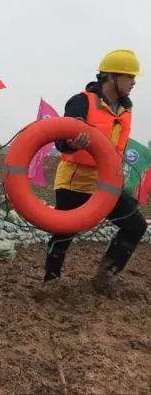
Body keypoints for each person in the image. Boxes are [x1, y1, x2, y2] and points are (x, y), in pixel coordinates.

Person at [45, 49, 148, 291]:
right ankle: (50, 282)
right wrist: (72, 142)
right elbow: (60, 140)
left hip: (105, 183)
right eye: (130, 77)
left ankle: (105, 276)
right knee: (64, 231)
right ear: (112, 76)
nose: (134, 83)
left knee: (136, 225)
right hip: (74, 180)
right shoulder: (81, 101)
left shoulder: (126, 109)